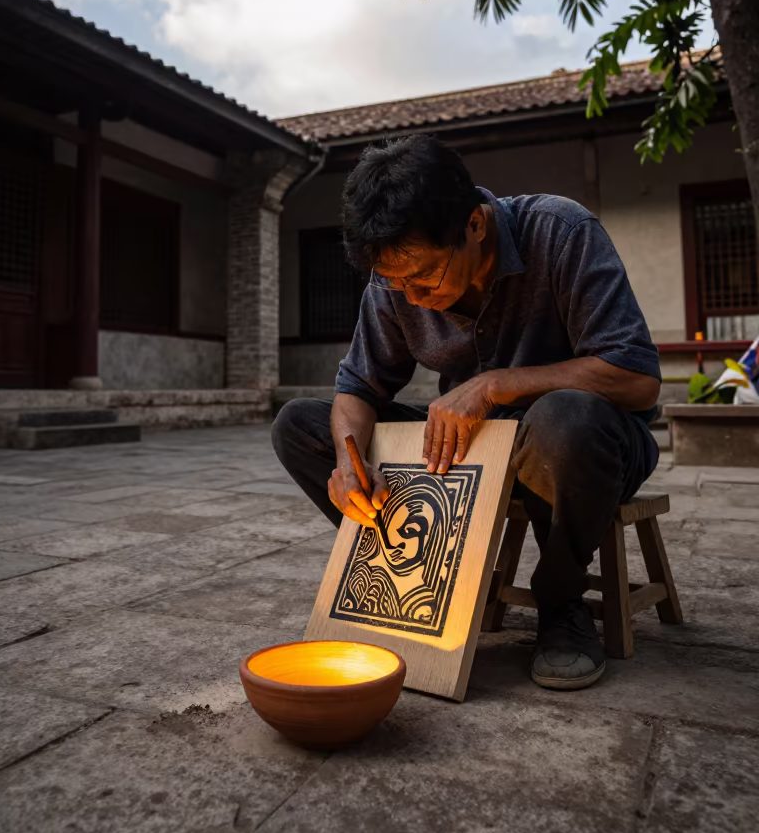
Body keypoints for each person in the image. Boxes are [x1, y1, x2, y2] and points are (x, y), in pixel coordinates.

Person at [273, 135, 661, 690]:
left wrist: (496, 385)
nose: (411, 297)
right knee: (299, 425)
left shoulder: (562, 231)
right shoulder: (396, 280)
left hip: (586, 448)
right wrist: (347, 461)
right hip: (475, 451)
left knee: (563, 419)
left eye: (424, 277)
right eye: (395, 283)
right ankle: (426, 572)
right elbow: (358, 387)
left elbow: (638, 380)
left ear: (474, 225)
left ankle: (560, 599)